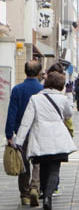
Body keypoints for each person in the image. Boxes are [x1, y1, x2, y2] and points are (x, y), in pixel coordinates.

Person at [15, 71, 77, 210]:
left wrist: (19, 141)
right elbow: (69, 114)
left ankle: (43, 191)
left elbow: (26, 121)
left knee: (43, 167)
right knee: (55, 169)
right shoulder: (62, 99)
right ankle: (48, 196)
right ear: (61, 85)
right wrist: (69, 95)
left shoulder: (35, 99)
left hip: (40, 139)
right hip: (57, 139)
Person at [5, 60, 44, 206]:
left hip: (21, 132)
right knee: (38, 162)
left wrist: (9, 134)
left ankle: (25, 194)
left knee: (23, 163)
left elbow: (12, 113)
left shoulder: (17, 90)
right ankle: (35, 187)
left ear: (25, 71)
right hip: (38, 131)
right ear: (39, 73)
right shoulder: (42, 89)